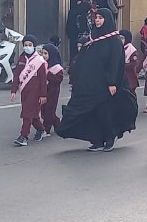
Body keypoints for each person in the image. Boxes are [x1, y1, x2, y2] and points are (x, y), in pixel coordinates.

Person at [56, 8, 138, 151]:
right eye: (96, 17)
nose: (97, 20)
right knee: (90, 113)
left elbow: (114, 63)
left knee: (104, 112)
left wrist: (112, 83)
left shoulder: (114, 41)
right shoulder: (93, 39)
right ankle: (97, 139)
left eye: (101, 18)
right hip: (91, 84)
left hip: (106, 85)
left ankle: (110, 137)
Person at [10, 35, 48, 146]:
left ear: (34, 46)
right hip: (24, 92)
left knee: (27, 114)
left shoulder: (39, 61)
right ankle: (40, 129)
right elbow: (17, 75)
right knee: (33, 114)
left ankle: (23, 136)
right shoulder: (21, 59)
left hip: (35, 93)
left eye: (30, 45)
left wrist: (43, 95)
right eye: (25, 45)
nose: (27, 47)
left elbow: (43, 80)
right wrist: (13, 90)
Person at [41, 44, 63, 137]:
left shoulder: (57, 68)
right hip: (43, 92)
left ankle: (46, 129)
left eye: (46, 53)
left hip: (52, 92)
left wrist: (47, 73)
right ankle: (58, 124)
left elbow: (58, 80)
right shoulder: (43, 65)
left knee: (49, 110)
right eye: (42, 53)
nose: (43, 55)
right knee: (43, 110)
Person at [119, 30, 139, 94]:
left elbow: (134, 63)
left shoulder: (131, 49)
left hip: (130, 77)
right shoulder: (118, 47)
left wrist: (123, 66)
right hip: (121, 77)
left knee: (130, 96)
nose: (120, 40)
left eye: (122, 38)